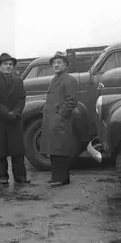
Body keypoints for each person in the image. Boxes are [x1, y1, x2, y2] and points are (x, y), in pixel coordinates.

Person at [0, 52, 29, 185]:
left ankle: (20, 176)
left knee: (18, 151)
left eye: (10, 64)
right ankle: (2, 176)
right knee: (0, 151)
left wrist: (15, 113)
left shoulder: (18, 81)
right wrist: (7, 113)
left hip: (14, 119)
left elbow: (22, 99)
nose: (8, 66)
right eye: (5, 64)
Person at [39, 51, 79, 187]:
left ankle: (62, 178)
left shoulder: (69, 80)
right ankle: (56, 176)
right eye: (54, 63)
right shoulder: (55, 79)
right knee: (53, 150)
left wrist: (60, 115)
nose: (56, 65)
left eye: (59, 62)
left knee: (61, 151)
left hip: (60, 121)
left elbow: (72, 101)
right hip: (52, 121)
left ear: (65, 65)